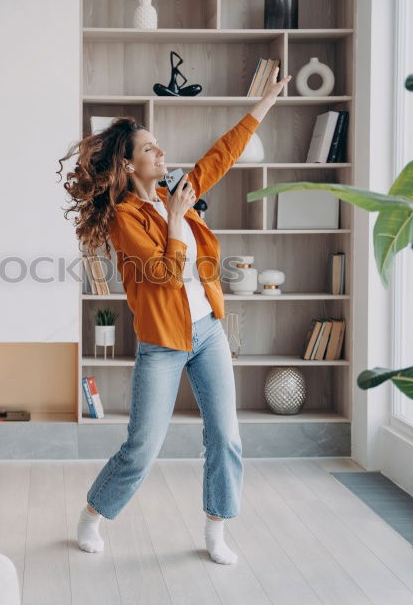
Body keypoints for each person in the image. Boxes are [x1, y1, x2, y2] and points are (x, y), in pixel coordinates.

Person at [57, 69, 291, 564]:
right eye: (150, 149)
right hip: (162, 343)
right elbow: (164, 272)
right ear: (128, 163)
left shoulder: (171, 193)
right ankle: (93, 515)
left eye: (159, 147)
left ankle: (216, 530)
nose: (162, 154)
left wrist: (264, 106)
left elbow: (220, 155)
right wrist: (179, 218)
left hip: (207, 331)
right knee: (142, 447)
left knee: (225, 435)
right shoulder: (125, 217)